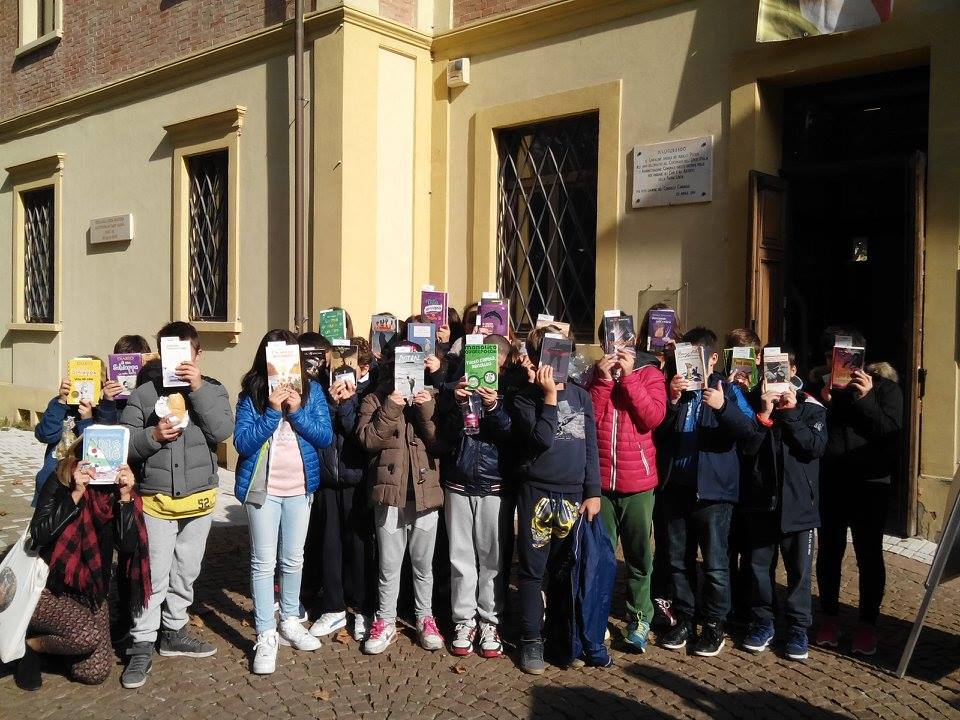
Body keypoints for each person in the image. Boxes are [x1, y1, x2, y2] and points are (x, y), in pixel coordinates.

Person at [120, 321, 235, 690]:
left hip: (199, 500)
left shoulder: (213, 389)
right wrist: (152, 436)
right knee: (152, 575)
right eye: (170, 352)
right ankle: (141, 642)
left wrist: (198, 388)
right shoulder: (144, 394)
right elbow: (125, 443)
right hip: (156, 500)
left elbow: (222, 430)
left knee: (186, 572)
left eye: (186, 353)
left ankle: (173, 631)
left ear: (198, 355)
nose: (179, 361)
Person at [233, 329, 333, 674]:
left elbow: (324, 436)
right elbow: (242, 443)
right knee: (263, 562)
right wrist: (273, 412)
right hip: (263, 490)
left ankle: (289, 619)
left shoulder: (312, 391)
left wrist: (297, 410)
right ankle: (265, 632)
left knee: (293, 558)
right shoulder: (252, 394)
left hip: (299, 487)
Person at [14, 442, 150, 690]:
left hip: (90, 588)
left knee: (94, 671)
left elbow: (127, 546)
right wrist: (75, 494)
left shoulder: (115, 486)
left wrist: (125, 496)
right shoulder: (62, 478)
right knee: (85, 635)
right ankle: (28, 645)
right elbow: (39, 534)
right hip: (47, 587)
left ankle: (52, 645)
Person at [655, 327, 756, 657]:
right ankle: (685, 618)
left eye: (696, 357)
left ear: (712, 359)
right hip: (677, 488)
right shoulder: (679, 388)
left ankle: (714, 624)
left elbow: (750, 431)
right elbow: (659, 432)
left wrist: (723, 406)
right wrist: (672, 401)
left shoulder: (729, 389)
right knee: (678, 561)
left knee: (715, 565)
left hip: (713, 493)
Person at [510, 326, 602, 675]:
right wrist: (549, 396)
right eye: (549, 355)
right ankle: (531, 639)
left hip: (574, 494)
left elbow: (590, 446)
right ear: (536, 360)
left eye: (563, 354)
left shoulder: (581, 396)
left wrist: (593, 491)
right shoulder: (524, 398)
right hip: (537, 492)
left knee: (565, 571)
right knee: (533, 570)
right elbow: (542, 439)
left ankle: (562, 638)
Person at [810, 327, 902, 656]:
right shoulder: (818, 388)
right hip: (832, 481)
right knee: (829, 552)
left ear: (861, 359)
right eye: (832, 356)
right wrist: (823, 404)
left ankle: (867, 624)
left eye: (848, 357)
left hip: (871, 484)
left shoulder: (886, 389)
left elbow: (890, 431)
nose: (838, 363)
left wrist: (865, 400)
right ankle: (829, 617)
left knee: (869, 555)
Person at [356, 338, 446, 655]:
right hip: (389, 494)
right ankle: (385, 620)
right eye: (399, 363)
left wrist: (426, 408)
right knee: (389, 565)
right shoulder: (375, 398)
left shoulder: (431, 397)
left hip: (425, 494)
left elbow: (440, 443)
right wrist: (392, 405)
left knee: (423, 565)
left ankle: (425, 618)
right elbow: (368, 440)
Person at [740, 350, 827, 661]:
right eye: (768, 368)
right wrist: (764, 414)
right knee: (758, 567)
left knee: (799, 572)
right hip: (761, 501)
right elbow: (745, 450)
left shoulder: (810, 406)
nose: (774, 373)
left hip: (799, 504)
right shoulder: (751, 401)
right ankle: (762, 622)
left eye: (780, 367)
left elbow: (815, 448)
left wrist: (790, 414)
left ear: (792, 369)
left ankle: (798, 627)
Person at [588, 328, 667, 653]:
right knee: (601, 557)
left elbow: (652, 417)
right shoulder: (595, 373)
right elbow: (590, 420)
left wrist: (630, 378)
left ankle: (639, 618)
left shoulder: (650, 373)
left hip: (638, 483)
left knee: (639, 556)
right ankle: (598, 615)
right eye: (610, 340)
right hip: (602, 482)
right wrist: (604, 381)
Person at [438, 334, 516, 659]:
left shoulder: (510, 389)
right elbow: (442, 435)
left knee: (492, 559)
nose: (490, 372)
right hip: (458, 480)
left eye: (497, 365)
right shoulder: (455, 387)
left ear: (504, 364)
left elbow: (510, 434)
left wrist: (494, 406)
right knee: (460, 558)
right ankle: (463, 620)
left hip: (495, 483)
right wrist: (457, 403)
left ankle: (490, 621)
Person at [309, 337, 379, 643]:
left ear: (362, 366)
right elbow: (319, 430)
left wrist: (348, 402)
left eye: (347, 365)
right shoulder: (322, 389)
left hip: (356, 478)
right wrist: (329, 401)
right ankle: (333, 606)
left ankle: (363, 607)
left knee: (359, 546)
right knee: (329, 545)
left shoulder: (370, 392)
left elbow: (360, 435)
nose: (339, 370)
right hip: (328, 477)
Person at [32, 356, 123, 507]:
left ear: (101, 384)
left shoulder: (102, 411)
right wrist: (61, 402)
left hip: (83, 489)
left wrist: (87, 420)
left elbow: (99, 452)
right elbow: (45, 435)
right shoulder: (60, 405)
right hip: (51, 486)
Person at [723, 327, 765, 627]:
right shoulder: (723, 385)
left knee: (753, 551)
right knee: (726, 547)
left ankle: (751, 608)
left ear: (757, 358)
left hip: (755, 478)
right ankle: (728, 608)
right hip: (728, 474)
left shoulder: (766, 385)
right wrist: (729, 389)